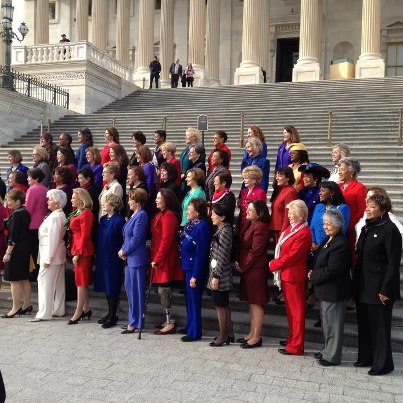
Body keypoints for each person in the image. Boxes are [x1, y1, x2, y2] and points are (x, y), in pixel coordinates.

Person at [353, 193, 402, 375]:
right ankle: (366, 357)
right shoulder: (367, 227)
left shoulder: (390, 230)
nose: (367, 209)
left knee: (380, 328)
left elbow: (393, 263)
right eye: (367, 205)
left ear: (383, 208)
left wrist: (385, 289)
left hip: (379, 288)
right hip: (364, 286)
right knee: (365, 325)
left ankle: (383, 364)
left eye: (372, 206)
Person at [308, 209, 351, 366]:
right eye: (325, 223)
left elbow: (333, 270)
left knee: (333, 325)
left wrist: (313, 276)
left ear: (338, 225)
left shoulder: (340, 243)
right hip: (326, 290)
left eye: (329, 224)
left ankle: (332, 356)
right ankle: (327, 351)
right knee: (327, 324)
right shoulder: (329, 239)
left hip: (334, 290)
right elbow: (320, 261)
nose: (325, 227)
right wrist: (313, 270)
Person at [269, 199, 312, 356]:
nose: (289, 215)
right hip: (288, 275)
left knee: (297, 313)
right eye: (289, 212)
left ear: (301, 215)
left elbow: (292, 256)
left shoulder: (303, 232)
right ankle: (292, 339)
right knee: (291, 312)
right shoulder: (293, 228)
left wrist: (275, 264)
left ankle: (297, 345)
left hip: (294, 275)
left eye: (292, 213)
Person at [236, 200, 270, 349]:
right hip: (249, 268)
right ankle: (251, 332)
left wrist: (243, 265)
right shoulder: (250, 224)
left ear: (259, 213)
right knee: (251, 302)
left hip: (255, 268)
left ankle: (257, 336)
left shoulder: (260, 227)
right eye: (247, 209)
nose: (247, 212)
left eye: (250, 210)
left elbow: (256, 251)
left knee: (256, 302)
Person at [30, 190, 67, 322]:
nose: (47, 202)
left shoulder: (56, 216)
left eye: (50, 199)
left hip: (51, 254)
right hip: (56, 254)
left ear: (56, 203)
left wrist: (49, 258)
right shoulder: (57, 214)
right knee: (58, 283)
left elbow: (53, 238)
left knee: (44, 282)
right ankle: (58, 309)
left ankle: (44, 313)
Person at [151, 189, 183, 335]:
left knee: (163, 290)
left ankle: (170, 322)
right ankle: (167, 319)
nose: (156, 200)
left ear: (167, 200)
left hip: (165, 258)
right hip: (158, 256)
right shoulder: (160, 215)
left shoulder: (169, 216)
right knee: (162, 289)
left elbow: (167, 240)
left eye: (159, 198)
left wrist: (158, 259)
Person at [118, 189, 149, 334]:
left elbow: (137, 238)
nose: (129, 202)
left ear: (137, 201)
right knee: (130, 290)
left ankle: (137, 321)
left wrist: (124, 251)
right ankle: (132, 320)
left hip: (137, 258)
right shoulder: (133, 215)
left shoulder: (142, 216)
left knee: (137, 291)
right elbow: (127, 237)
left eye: (131, 199)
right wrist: (124, 250)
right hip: (130, 258)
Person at [179, 198, 210, 342]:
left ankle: (195, 331)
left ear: (197, 211)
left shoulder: (202, 226)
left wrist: (196, 275)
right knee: (189, 300)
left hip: (194, 269)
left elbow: (201, 253)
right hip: (186, 266)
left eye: (189, 209)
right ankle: (190, 325)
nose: (187, 211)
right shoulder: (191, 224)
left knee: (194, 300)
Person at [94, 193, 125, 329]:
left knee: (113, 285)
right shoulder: (103, 219)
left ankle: (113, 315)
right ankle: (110, 313)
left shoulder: (119, 220)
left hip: (113, 257)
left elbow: (122, 238)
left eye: (106, 202)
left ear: (113, 205)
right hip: (103, 256)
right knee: (106, 284)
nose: (104, 204)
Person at [65, 188, 94, 325]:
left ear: (81, 199)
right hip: (76, 248)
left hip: (83, 250)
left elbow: (85, 235)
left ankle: (79, 310)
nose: (71, 199)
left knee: (81, 282)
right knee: (80, 281)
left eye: (73, 197)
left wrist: (78, 253)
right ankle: (86, 308)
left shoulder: (86, 213)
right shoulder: (77, 212)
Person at [1, 189, 32, 318]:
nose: (7, 202)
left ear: (18, 201)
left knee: (14, 279)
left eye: (9, 200)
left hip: (16, 250)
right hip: (24, 249)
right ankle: (27, 304)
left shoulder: (16, 214)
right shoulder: (25, 212)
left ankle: (15, 307)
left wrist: (8, 253)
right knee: (24, 278)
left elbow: (13, 236)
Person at [208, 203, 233, 347]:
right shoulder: (221, 229)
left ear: (222, 217)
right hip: (218, 271)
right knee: (222, 305)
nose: (212, 216)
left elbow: (222, 255)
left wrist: (216, 276)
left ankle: (223, 335)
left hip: (220, 274)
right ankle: (228, 333)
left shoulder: (225, 231)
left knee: (220, 305)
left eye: (215, 214)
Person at [338, 157, 366, 258]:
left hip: (351, 230)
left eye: (342, 169)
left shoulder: (360, 188)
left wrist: (348, 227)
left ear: (351, 171)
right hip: (337, 229)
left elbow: (361, 210)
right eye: (339, 170)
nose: (339, 172)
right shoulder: (339, 186)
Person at [25, 168, 49, 281]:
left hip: (32, 224)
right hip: (42, 223)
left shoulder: (32, 190)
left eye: (29, 177)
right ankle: (38, 271)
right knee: (39, 250)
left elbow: (28, 209)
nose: (27, 179)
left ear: (36, 178)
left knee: (32, 250)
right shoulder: (45, 189)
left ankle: (33, 272)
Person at [269, 166, 298, 246]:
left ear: (288, 178)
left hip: (282, 229)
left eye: (280, 175)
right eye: (276, 176)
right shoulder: (281, 190)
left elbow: (288, 214)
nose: (277, 178)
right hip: (276, 228)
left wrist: (284, 232)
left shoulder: (291, 191)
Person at [237, 166, 266, 233]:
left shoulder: (260, 193)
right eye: (243, 178)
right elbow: (241, 212)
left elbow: (261, 212)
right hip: (242, 225)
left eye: (246, 178)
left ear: (254, 180)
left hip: (252, 227)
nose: (244, 180)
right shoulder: (243, 192)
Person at [77, 167, 100, 239]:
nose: (78, 180)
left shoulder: (90, 191)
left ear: (88, 179)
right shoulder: (84, 189)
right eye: (78, 178)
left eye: (81, 178)